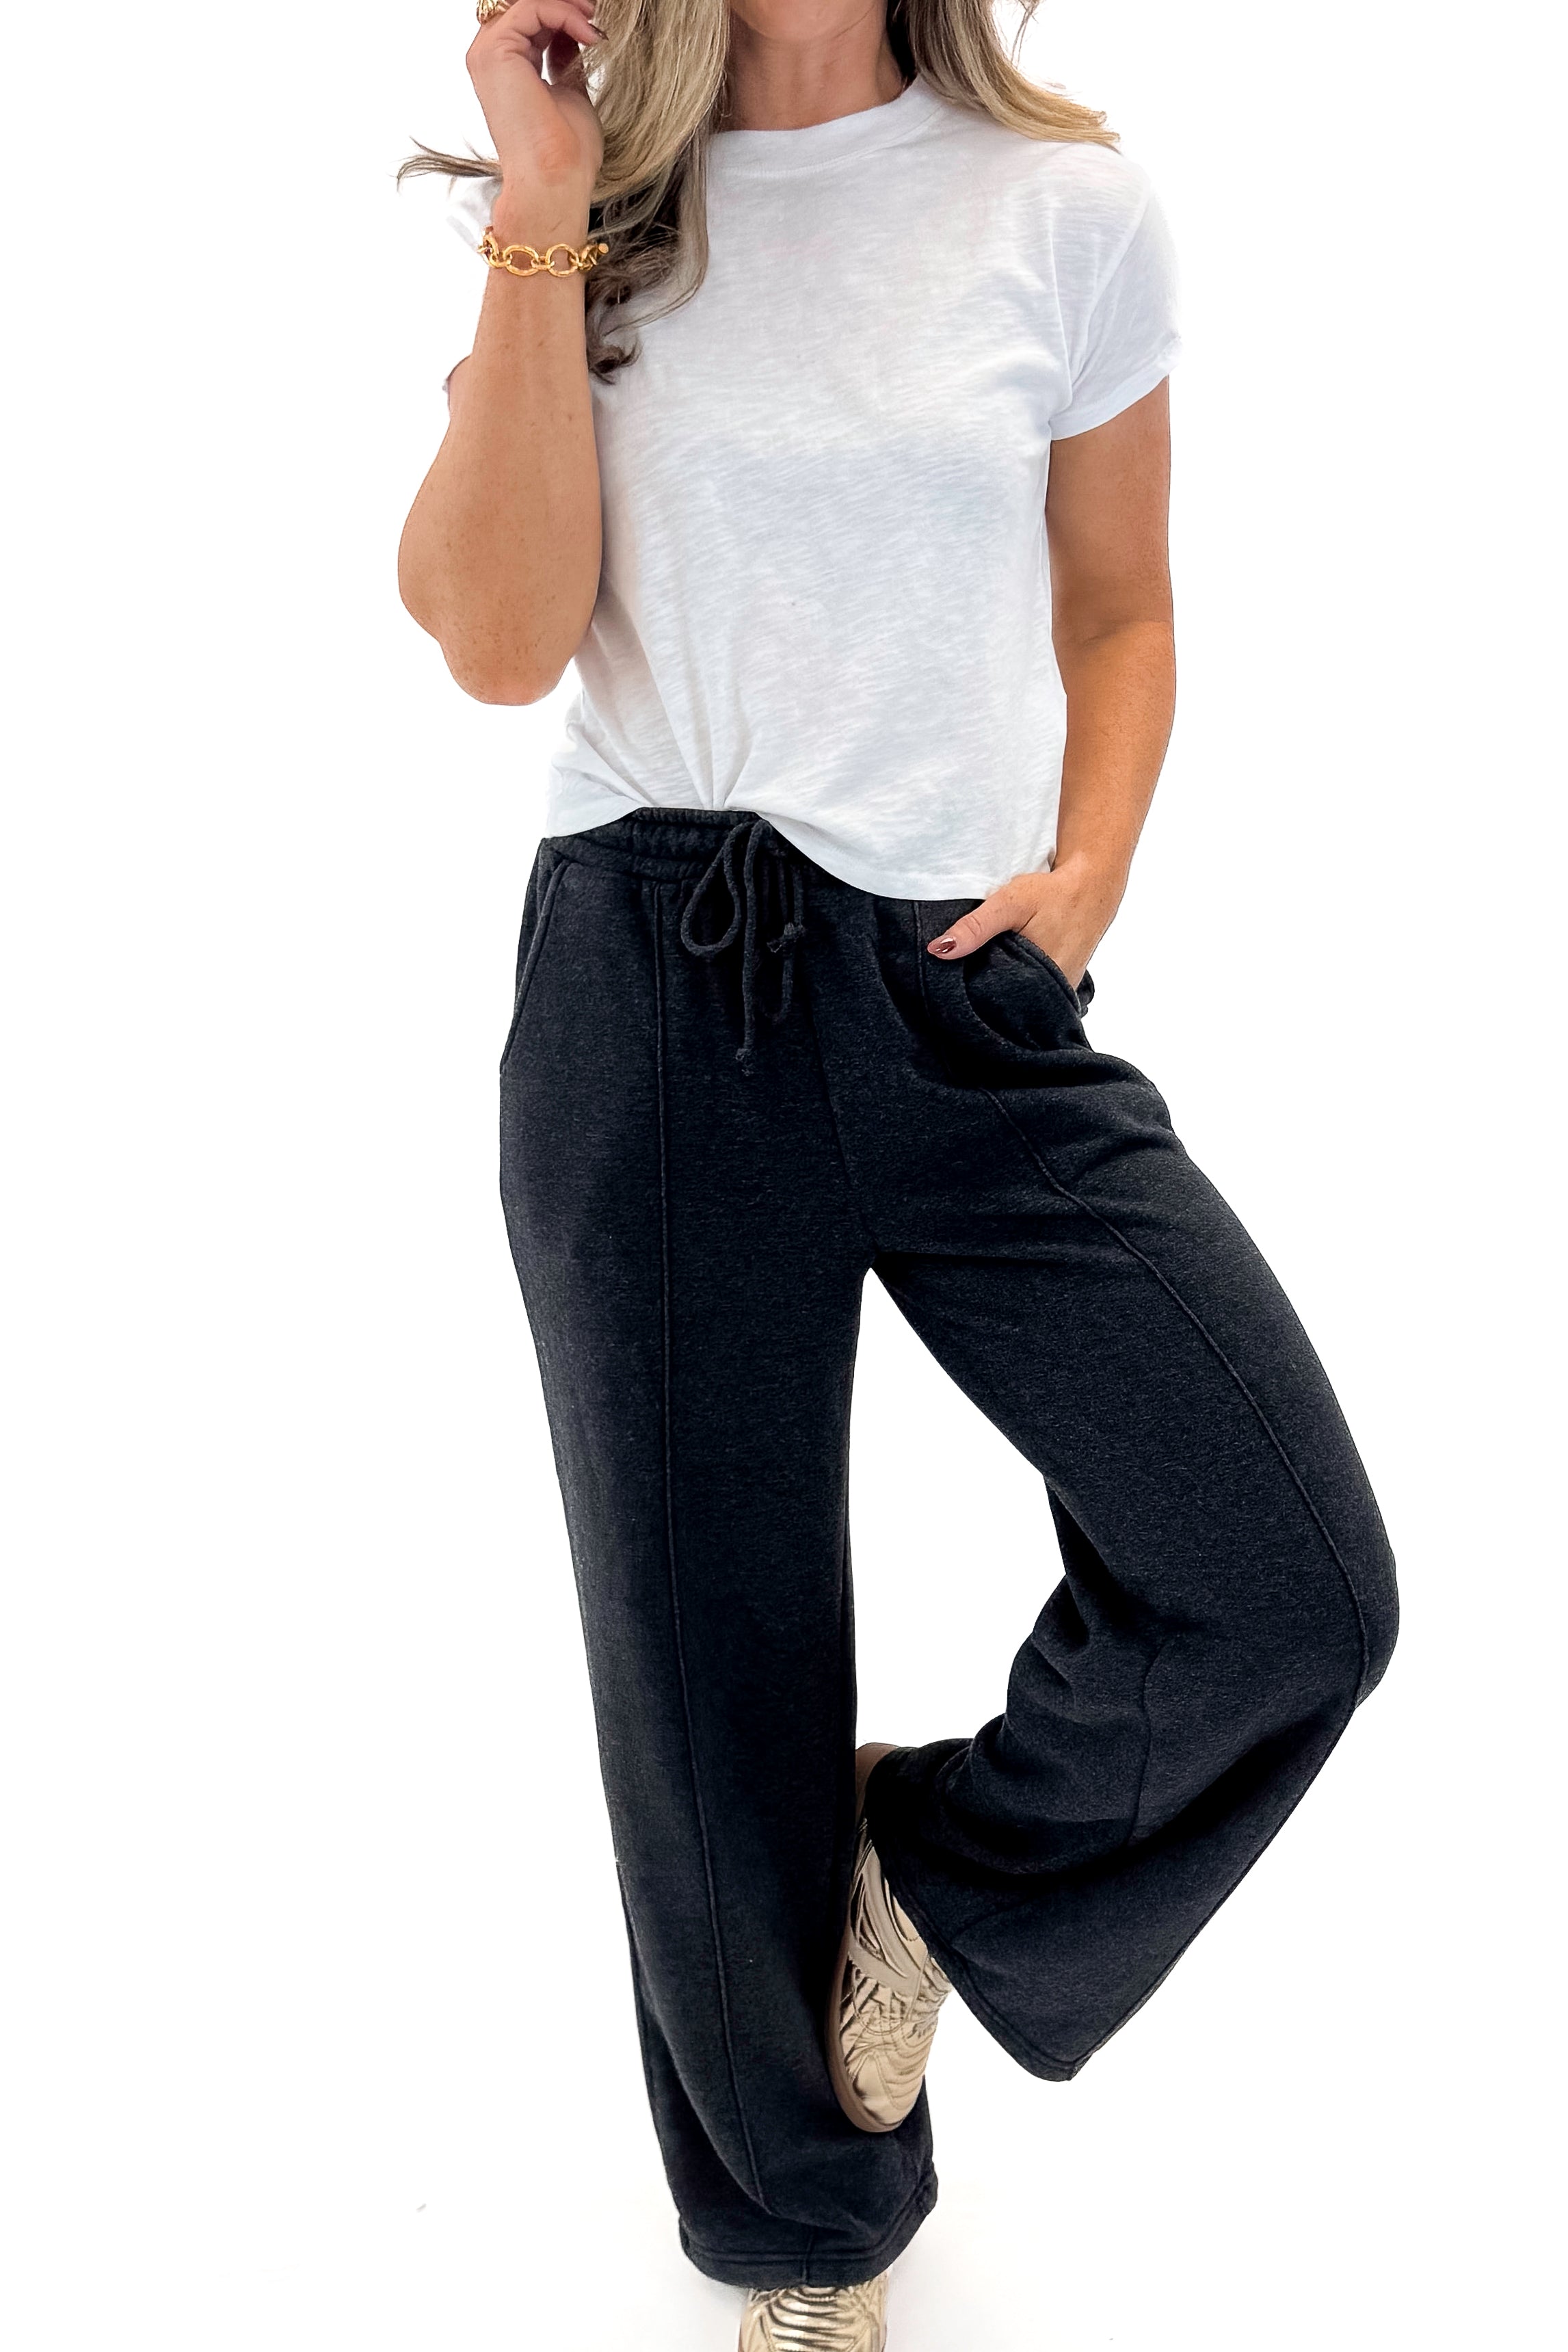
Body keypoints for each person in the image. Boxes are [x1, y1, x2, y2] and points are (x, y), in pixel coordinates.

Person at [397, 1, 1399, 2342]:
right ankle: (802, 2254)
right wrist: (542, 216)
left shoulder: (1066, 207)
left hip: (960, 991)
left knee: (1288, 1582)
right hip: (657, 976)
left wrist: (1095, 871)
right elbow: (491, 637)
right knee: (704, 1666)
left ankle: (927, 1878)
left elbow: (1124, 604)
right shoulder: (598, 210)